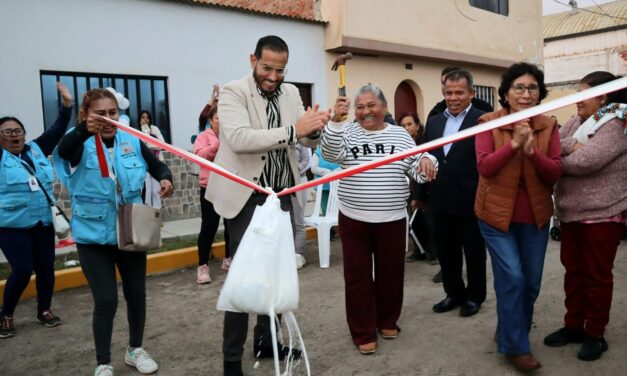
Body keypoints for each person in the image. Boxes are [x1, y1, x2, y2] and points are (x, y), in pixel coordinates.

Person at [204, 35, 329, 376]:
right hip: (246, 200)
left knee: (273, 277)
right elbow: (239, 139)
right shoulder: (233, 92)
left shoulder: (291, 93)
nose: (273, 76)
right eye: (267, 67)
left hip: (282, 197)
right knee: (244, 280)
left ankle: (266, 341)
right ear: (253, 60)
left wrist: (317, 127)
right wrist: (294, 130)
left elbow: (304, 137)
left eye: (280, 69)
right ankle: (231, 361)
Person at [55, 88, 174, 376]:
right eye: (101, 113)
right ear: (87, 115)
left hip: (130, 229)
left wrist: (165, 178)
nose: (109, 119)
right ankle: (103, 362)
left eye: (113, 113)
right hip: (93, 237)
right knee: (106, 300)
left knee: (136, 294)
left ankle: (135, 350)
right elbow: (64, 150)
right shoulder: (79, 141)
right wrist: (84, 129)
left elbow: (156, 164)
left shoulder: (132, 138)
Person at [322, 84, 438, 355]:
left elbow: (417, 167)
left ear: (384, 108)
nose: (365, 112)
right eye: (360, 107)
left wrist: (428, 163)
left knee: (391, 273)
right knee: (357, 276)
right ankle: (362, 331)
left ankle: (387, 320)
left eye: (371, 105)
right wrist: (336, 123)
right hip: (353, 218)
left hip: (392, 217)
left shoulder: (400, 135)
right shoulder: (346, 131)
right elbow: (330, 154)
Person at [474, 62, 562, 372]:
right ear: (506, 93)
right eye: (519, 88)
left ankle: (510, 330)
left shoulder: (548, 126)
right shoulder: (487, 123)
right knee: (511, 276)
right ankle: (516, 346)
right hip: (496, 217)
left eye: (532, 88)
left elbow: (554, 172)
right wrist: (513, 145)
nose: (526, 94)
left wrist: (531, 151)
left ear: (540, 93)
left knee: (531, 284)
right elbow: (485, 167)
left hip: (535, 217)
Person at [544, 71, 627, 361]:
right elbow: (552, 145)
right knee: (574, 273)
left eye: (582, 94)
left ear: (603, 97)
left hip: (601, 214)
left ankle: (595, 333)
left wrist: (560, 157)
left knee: (596, 276)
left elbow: (586, 161)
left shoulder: (616, 125)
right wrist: (566, 149)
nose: (576, 100)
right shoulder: (577, 122)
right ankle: (573, 326)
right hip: (571, 213)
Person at [0, 83, 73, 339]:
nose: (14, 135)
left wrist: (66, 106)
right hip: (11, 225)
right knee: (21, 269)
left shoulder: (36, 148)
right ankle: (6, 314)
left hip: (43, 221)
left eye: (17, 130)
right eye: (8, 131)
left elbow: (57, 131)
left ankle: (44, 310)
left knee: (45, 268)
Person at [421, 70, 487, 317]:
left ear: (471, 92)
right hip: (439, 199)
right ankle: (453, 293)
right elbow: (424, 155)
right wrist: (420, 194)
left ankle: (475, 296)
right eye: (449, 92)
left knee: (474, 253)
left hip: (472, 199)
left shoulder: (484, 120)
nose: (454, 97)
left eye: (460, 92)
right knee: (446, 253)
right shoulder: (436, 121)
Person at [193, 95, 231, 283]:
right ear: (211, 120)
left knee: (231, 225)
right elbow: (199, 156)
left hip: (230, 186)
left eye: (224, 117)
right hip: (209, 187)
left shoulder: (231, 135)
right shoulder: (203, 137)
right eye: (218, 118)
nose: (221, 121)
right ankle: (202, 267)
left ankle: (228, 259)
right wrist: (216, 144)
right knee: (209, 227)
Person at [399, 112, 437, 264]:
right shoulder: (401, 143)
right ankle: (418, 251)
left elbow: (423, 172)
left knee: (429, 222)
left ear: (417, 125)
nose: (406, 128)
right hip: (410, 189)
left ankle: (434, 253)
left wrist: (417, 197)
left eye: (409, 124)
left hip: (425, 189)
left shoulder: (423, 142)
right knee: (415, 222)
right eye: (403, 126)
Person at [427, 66, 493, 119]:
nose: (453, 98)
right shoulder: (436, 112)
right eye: (443, 83)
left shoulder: (484, 109)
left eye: (459, 92)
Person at [139, 110, 166, 209]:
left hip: (156, 163)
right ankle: (149, 217)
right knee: (147, 190)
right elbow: (140, 147)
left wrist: (148, 143)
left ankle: (157, 216)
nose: (145, 120)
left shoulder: (154, 129)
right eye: (143, 117)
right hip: (144, 164)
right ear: (139, 119)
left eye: (147, 117)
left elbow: (162, 144)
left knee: (156, 191)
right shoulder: (136, 131)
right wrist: (145, 135)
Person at [292, 143, 311, 269]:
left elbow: (307, 160)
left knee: (298, 220)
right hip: (282, 183)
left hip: (299, 182)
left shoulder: (301, 140)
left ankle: (298, 254)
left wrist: (294, 170)